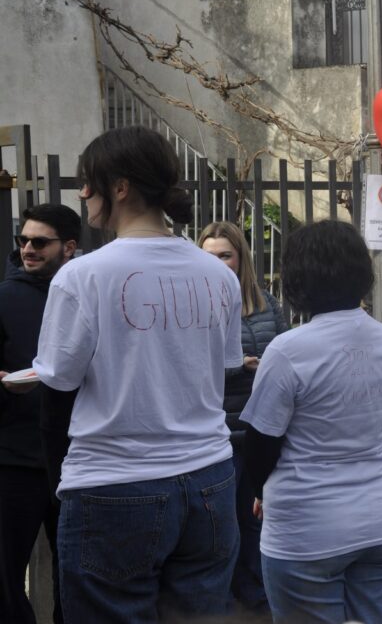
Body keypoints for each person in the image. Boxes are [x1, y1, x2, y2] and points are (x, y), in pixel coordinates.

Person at [32, 126, 242, 622]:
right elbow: (224, 369)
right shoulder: (218, 274)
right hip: (210, 481)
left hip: (114, 485)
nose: (83, 194)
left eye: (88, 182)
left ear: (119, 187)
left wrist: (58, 481)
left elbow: (56, 387)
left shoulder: (82, 276)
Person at [240, 220, 382, 623]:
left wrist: (262, 488)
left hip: (307, 529)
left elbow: (261, 441)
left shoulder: (289, 350)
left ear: (298, 277)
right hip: (379, 521)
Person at [198, 220, 288, 615]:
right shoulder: (193, 305)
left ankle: (258, 600)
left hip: (261, 429)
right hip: (215, 432)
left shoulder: (267, 304)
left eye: (224, 255)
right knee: (222, 527)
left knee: (257, 520)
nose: (216, 263)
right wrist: (238, 366)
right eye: (208, 255)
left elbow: (288, 356)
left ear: (241, 259)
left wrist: (269, 366)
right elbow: (184, 368)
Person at [0, 204, 79, 624]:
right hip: (16, 459)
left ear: (69, 247)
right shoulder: (5, 297)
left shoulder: (87, 294)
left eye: (39, 242)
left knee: (77, 577)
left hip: (78, 459)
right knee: (6, 578)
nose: (28, 249)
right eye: (23, 240)